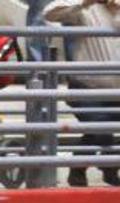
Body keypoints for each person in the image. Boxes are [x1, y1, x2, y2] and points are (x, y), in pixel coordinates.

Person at [43, 0, 120, 187]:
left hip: (116, 89)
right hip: (85, 85)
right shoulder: (83, 9)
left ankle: (84, 168)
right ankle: (107, 165)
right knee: (100, 126)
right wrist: (86, 2)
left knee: (100, 129)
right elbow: (50, 14)